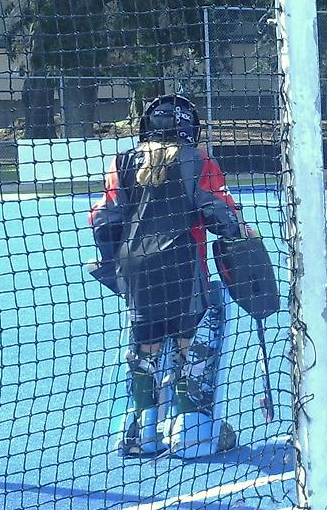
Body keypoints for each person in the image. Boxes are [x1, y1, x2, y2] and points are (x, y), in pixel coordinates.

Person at [89, 94, 249, 458]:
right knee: (189, 345)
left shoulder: (122, 161)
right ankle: (191, 433)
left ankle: (141, 434)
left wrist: (115, 262)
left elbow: (102, 219)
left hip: (136, 269)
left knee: (145, 348)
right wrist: (238, 233)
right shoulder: (200, 161)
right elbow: (219, 212)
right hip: (184, 265)